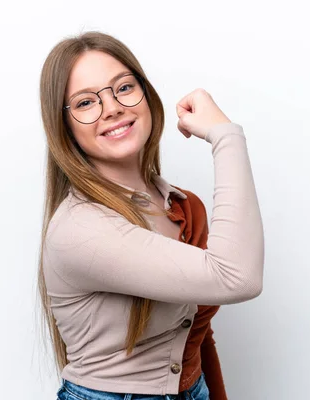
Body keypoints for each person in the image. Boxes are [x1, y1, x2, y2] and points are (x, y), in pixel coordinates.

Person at [38, 31, 264, 400]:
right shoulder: (81, 229)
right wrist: (226, 137)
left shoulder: (181, 206)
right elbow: (238, 277)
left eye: (123, 88)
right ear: (64, 128)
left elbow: (196, 339)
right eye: (84, 103)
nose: (111, 107)